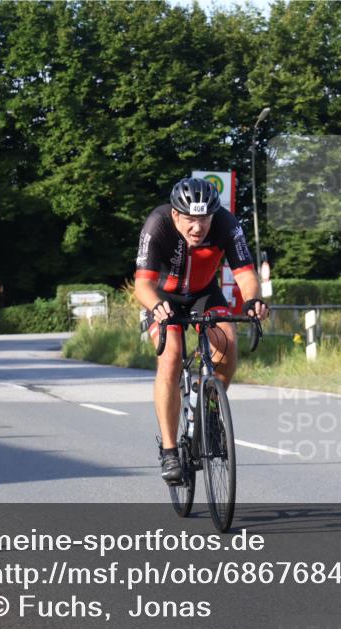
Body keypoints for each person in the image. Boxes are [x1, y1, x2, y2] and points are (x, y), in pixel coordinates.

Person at [134, 177, 269, 483]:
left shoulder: (227, 223)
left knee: (228, 344)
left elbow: (245, 273)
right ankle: (169, 451)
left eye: (204, 220)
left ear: (213, 215)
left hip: (204, 294)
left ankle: (209, 411)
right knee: (170, 357)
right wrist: (156, 307)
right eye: (191, 221)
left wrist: (252, 301)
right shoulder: (157, 224)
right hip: (163, 298)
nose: (198, 228)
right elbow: (142, 284)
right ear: (176, 215)